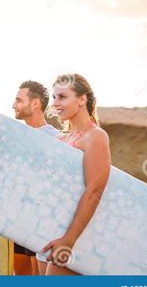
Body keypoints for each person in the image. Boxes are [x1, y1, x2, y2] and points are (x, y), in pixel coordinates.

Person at [40, 73, 111, 275]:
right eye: (54, 98)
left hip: (74, 236)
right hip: (48, 232)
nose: (55, 103)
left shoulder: (95, 136)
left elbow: (95, 190)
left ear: (82, 99)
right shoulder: (61, 138)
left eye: (62, 97)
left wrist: (69, 241)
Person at [12, 80, 60, 275]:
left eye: (18, 100)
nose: (13, 105)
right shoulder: (16, 137)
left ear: (35, 104)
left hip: (40, 223)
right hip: (15, 221)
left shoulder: (56, 139)